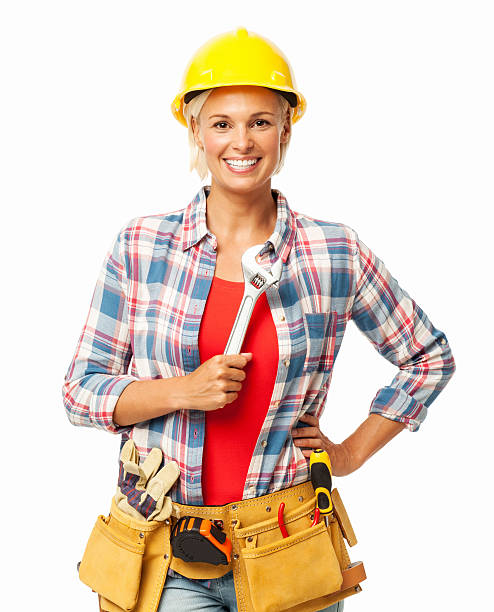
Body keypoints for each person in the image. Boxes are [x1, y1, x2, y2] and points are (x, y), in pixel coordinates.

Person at [63, 27, 455, 612]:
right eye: (221, 122)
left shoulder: (333, 252)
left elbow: (429, 357)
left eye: (261, 121)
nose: (240, 141)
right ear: (194, 130)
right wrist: (183, 391)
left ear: (286, 130)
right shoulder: (141, 246)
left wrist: (347, 454)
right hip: (166, 549)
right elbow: (80, 392)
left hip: (288, 543)